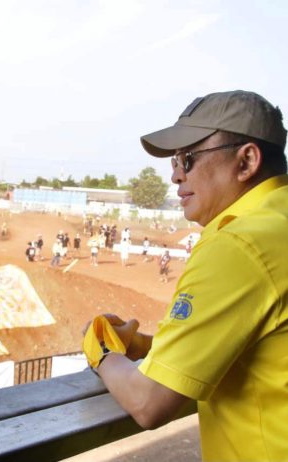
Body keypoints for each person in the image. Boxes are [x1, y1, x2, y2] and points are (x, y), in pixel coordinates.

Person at [87, 90, 288, 461]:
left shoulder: (239, 244)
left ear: (246, 161)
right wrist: (146, 347)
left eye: (188, 159)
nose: (175, 174)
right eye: (175, 160)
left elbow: (148, 402)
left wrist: (102, 352)